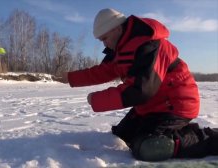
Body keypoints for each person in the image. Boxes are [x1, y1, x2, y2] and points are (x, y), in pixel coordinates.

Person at [59, 8, 218, 161]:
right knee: (123, 135)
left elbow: (141, 90)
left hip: (175, 104)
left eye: (105, 38)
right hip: (152, 106)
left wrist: (96, 100)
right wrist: (71, 78)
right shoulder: (120, 50)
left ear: (117, 29)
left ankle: (209, 139)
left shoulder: (149, 45)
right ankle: (177, 132)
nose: (104, 45)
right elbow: (102, 72)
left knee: (149, 146)